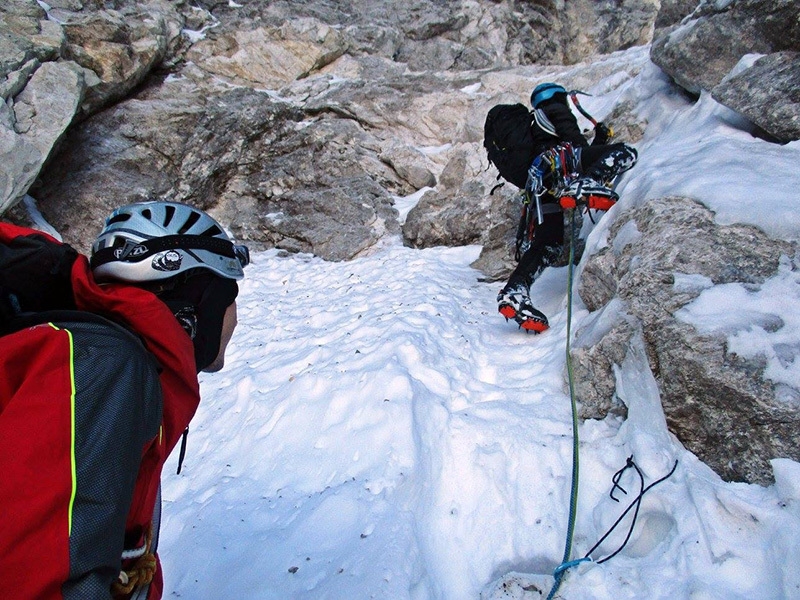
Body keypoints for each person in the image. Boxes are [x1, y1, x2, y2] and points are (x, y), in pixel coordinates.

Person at [0, 201, 249, 599]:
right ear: (198, 305)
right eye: (228, 295)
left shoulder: (108, 362)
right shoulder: (106, 369)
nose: (234, 315)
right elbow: (36, 573)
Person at [496, 82, 638, 332]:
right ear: (557, 97)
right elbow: (576, 147)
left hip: (540, 185)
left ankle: (515, 291)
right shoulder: (555, 110)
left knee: (548, 243)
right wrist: (602, 144)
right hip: (561, 165)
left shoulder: (534, 126)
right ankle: (587, 184)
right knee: (625, 152)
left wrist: (598, 141)